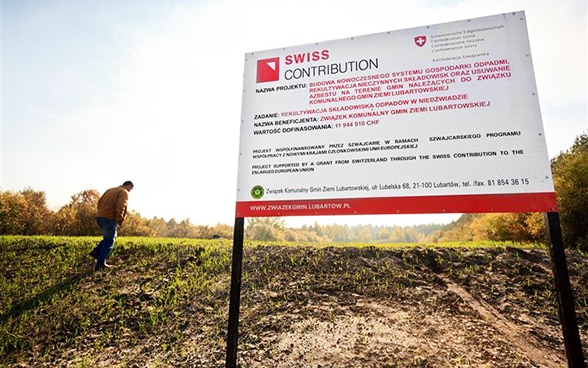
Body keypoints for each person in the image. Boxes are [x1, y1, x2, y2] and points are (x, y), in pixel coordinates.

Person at [90, 181, 134, 271]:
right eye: (130, 189)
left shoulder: (110, 190)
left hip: (100, 217)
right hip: (109, 218)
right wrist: (119, 218)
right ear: (128, 186)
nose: (130, 191)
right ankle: (100, 264)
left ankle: (97, 251)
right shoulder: (123, 192)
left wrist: (100, 213)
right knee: (110, 240)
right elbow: (121, 205)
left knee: (107, 238)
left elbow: (100, 202)